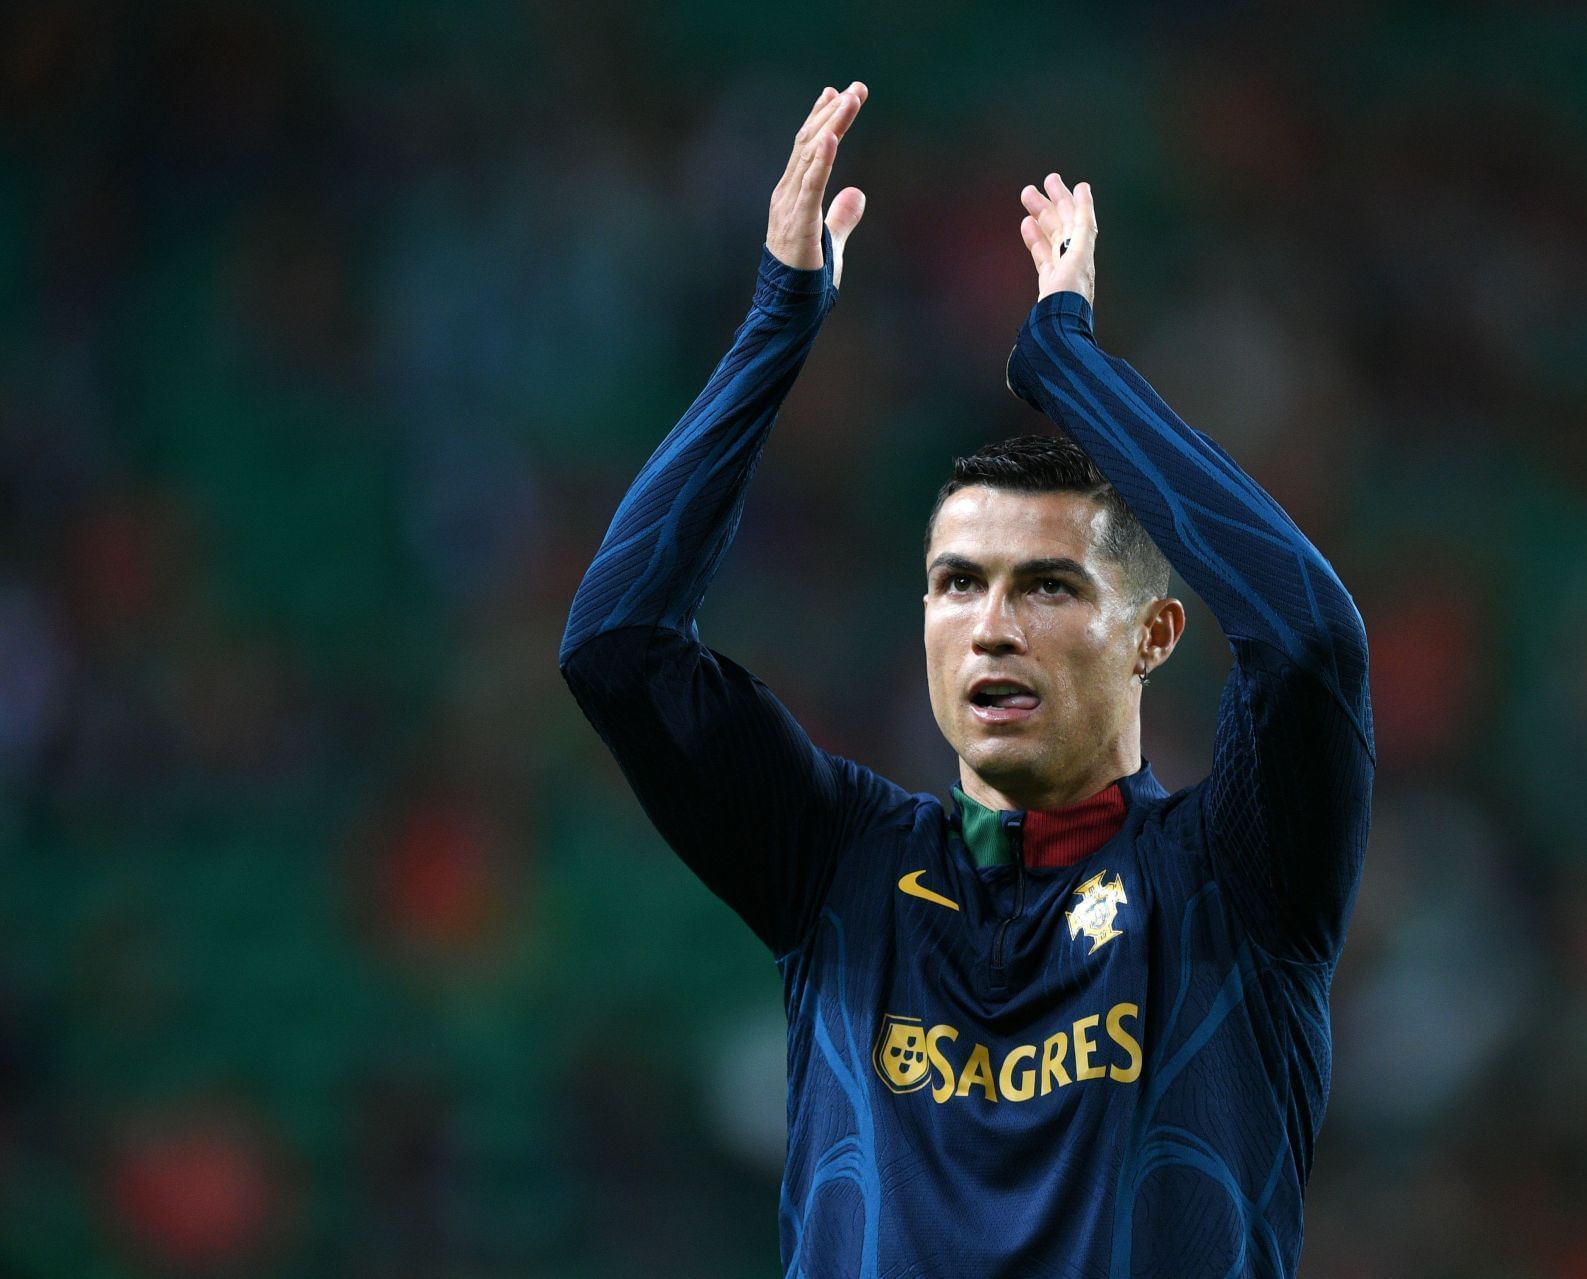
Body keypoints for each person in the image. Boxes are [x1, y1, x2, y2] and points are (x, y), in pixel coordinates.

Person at [558, 79, 1375, 1278]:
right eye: (956, 583)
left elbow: (1306, 639)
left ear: (1154, 635)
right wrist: (776, 326)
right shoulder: (836, 864)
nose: (990, 625)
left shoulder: (1239, 877)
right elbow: (615, 645)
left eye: (1047, 585)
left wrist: (1068, 360)